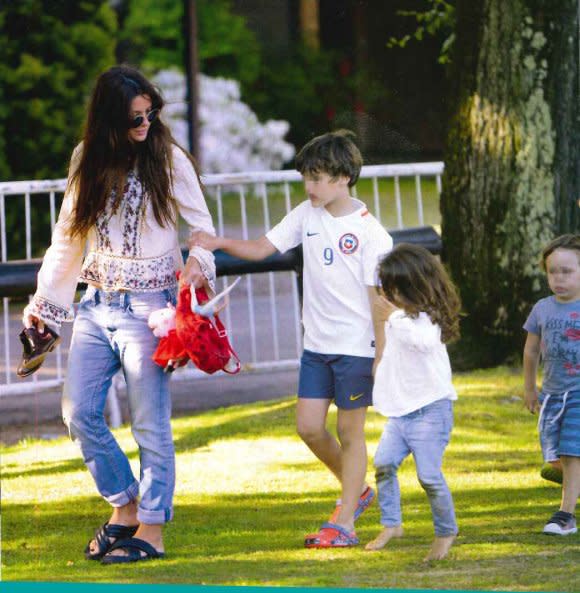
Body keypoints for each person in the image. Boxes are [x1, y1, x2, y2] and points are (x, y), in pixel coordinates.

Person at [21, 65, 216, 563]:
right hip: (94, 304)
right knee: (78, 413)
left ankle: (151, 530)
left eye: (149, 114)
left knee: (150, 425)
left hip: (150, 309)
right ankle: (125, 506)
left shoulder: (168, 159)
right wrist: (45, 308)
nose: (144, 125)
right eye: (134, 118)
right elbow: (68, 237)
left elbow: (202, 227)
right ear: (110, 120)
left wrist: (198, 259)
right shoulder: (87, 158)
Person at [190, 130, 392, 547]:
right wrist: (218, 242)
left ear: (344, 178)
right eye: (306, 177)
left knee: (352, 435)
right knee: (308, 428)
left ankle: (345, 524)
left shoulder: (373, 235)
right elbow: (263, 248)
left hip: (357, 350)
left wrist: (382, 355)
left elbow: (381, 302)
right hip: (316, 349)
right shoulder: (306, 214)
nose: (309, 186)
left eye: (317, 178)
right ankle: (359, 492)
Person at [365, 243, 461, 561]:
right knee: (383, 463)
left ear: (414, 287)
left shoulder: (426, 320)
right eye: (385, 289)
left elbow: (420, 342)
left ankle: (446, 531)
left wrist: (391, 318)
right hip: (402, 414)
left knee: (429, 476)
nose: (387, 297)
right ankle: (392, 524)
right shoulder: (398, 320)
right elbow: (390, 359)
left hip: (432, 410)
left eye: (393, 290)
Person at [523, 234, 580, 536]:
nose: (559, 278)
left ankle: (565, 516)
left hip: (579, 392)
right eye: (552, 271)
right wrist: (530, 387)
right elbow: (531, 350)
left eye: (567, 271)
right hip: (552, 394)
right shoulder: (542, 308)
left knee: (572, 451)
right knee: (554, 457)